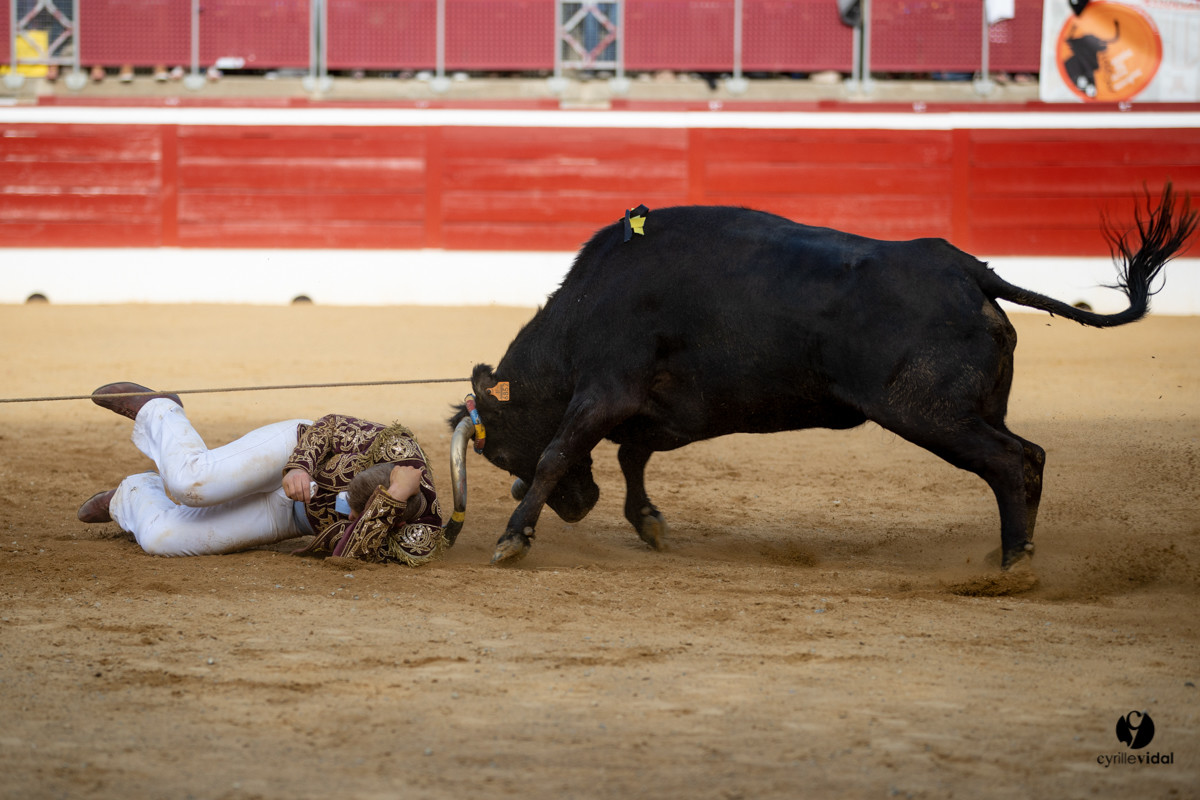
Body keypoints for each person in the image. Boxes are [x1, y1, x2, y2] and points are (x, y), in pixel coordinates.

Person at [76, 382, 446, 565]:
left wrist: (394, 498)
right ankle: (159, 410)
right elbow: (329, 426)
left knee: (162, 539)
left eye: (354, 514)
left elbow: (348, 555)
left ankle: (132, 495)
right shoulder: (395, 448)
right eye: (350, 504)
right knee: (192, 482)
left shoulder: (420, 536)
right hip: (292, 449)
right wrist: (300, 466)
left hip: (294, 517)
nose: (346, 516)